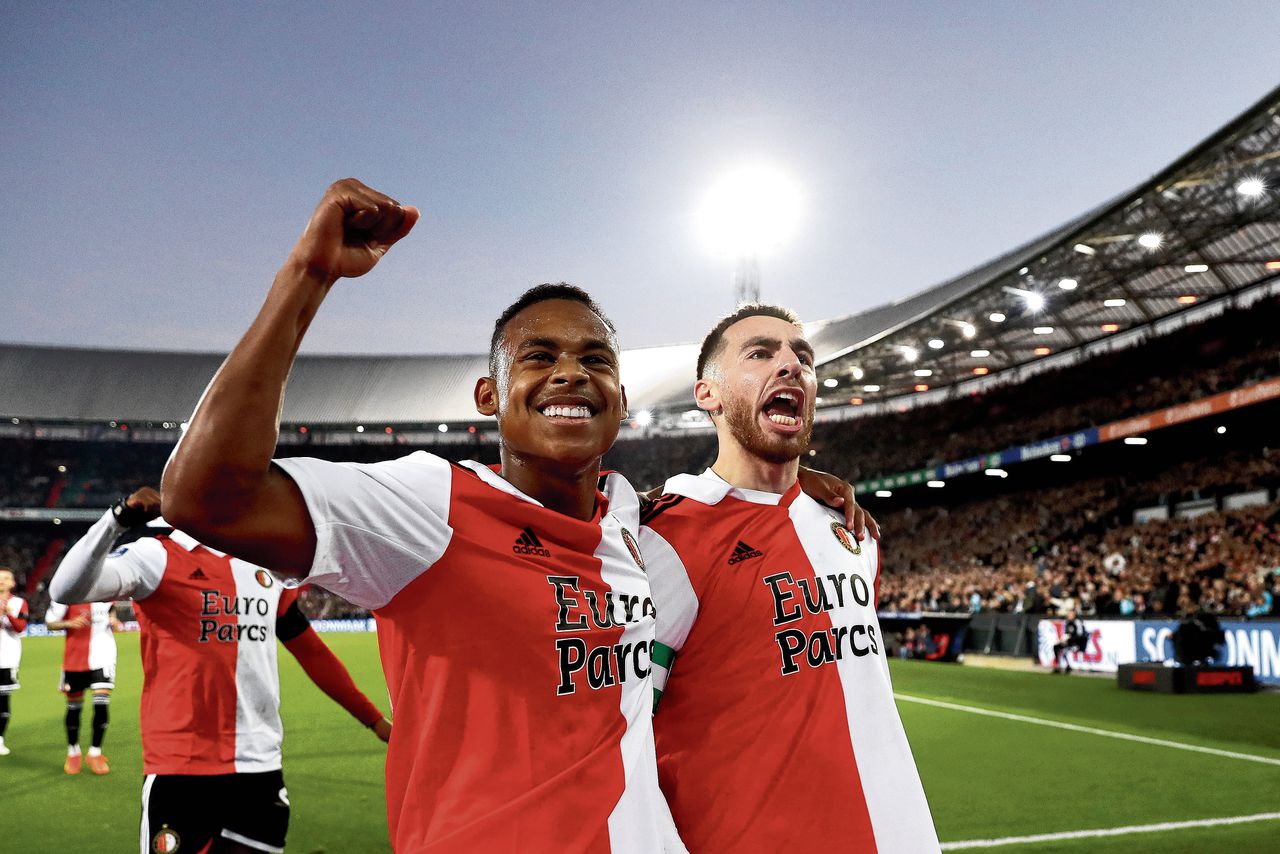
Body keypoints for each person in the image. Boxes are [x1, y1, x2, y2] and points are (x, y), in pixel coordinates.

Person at [159, 179, 872, 853]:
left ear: (620, 399)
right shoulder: (431, 507)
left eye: (595, 359)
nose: (570, 372)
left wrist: (792, 476)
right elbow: (204, 497)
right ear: (487, 397)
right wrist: (306, 278)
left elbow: (725, 501)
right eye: (539, 356)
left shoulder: (631, 518)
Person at [639, 304, 940, 852]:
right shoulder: (664, 541)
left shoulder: (854, 531)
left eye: (802, 357)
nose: (790, 365)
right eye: (760, 353)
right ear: (707, 393)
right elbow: (624, 739)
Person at [49, 486, 392, 854]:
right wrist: (117, 520)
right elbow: (65, 588)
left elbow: (311, 652)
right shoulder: (156, 555)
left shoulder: (267, 567)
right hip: (181, 766)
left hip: (259, 765)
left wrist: (374, 721)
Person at [44, 597, 121, 774]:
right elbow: (50, 624)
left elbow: (113, 617)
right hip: (75, 659)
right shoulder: (66, 596)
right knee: (74, 709)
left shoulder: (107, 596)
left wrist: (114, 621)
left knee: (101, 705)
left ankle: (95, 753)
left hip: (103, 657)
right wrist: (69, 623)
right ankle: (73, 752)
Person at [0, 567, 28, 757]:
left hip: (7, 658)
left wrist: (8, 613)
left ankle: (0, 738)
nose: (2, 580)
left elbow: (20, 627)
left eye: (6, 578)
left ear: (13, 583)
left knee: (3, 700)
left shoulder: (19, 603)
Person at [1051, 608, 1089, 673]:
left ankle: (1068, 666)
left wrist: (1069, 639)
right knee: (1056, 647)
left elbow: (1080, 636)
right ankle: (1058, 666)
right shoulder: (1067, 623)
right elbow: (1066, 634)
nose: (1068, 616)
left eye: (1070, 614)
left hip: (1078, 643)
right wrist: (1063, 640)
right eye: (1068, 614)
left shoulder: (1077, 623)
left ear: (1074, 615)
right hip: (1070, 642)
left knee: (1065, 649)